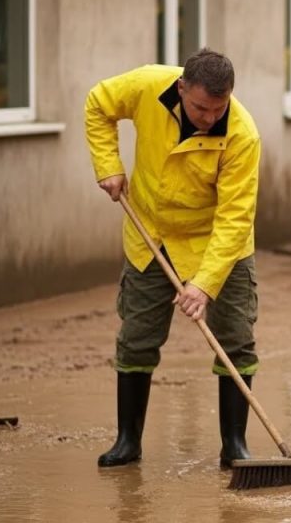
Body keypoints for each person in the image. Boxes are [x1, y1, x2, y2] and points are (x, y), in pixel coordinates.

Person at [84, 49, 261, 469]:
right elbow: (98, 103)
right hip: (151, 234)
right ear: (181, 88)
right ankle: (128, 440)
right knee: (137, 336)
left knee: (235, 338)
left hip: (216, 244)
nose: (208, 117)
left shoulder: (242, 135)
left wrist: (205, 283)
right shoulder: (148, 85)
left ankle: (234, 444)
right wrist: (108, 164)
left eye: (219, 108)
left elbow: (235, 218)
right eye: (200, 107)